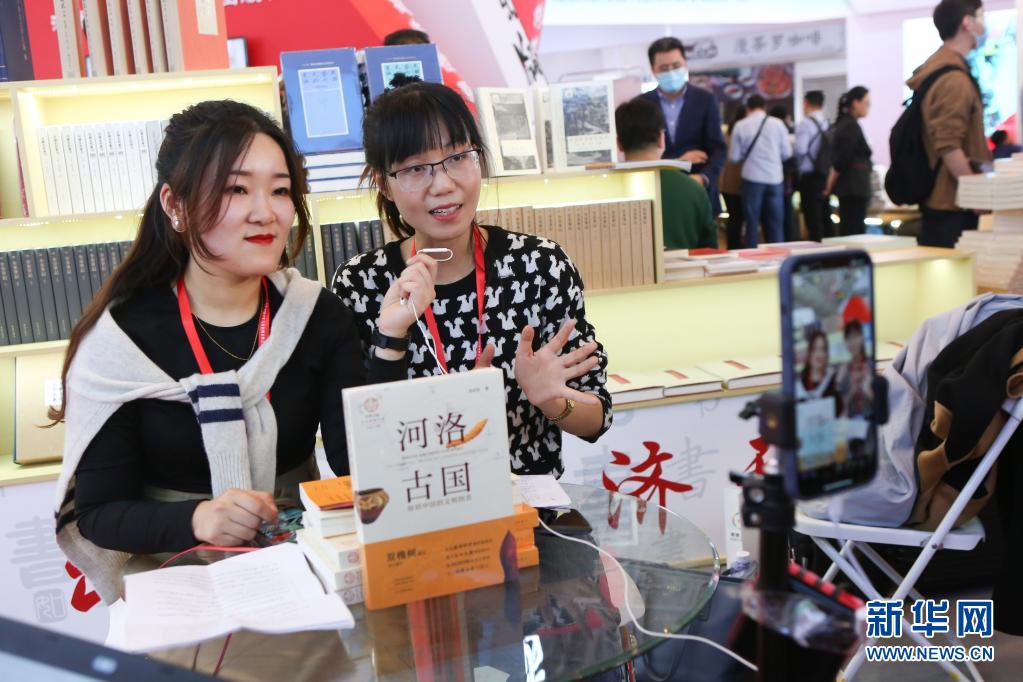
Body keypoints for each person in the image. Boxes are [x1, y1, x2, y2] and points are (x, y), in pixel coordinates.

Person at [52, 101, 420, 602]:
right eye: (236, 189)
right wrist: (199, 518)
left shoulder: (314, 313)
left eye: (281, 190)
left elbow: (358, 463)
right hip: (172, 579)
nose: (265, 212)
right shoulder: (122, 339)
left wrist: (391, 339)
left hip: (300, 570)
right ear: (176, 205)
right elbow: (99, 514)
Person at [332, 82, 612, 476]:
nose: (443, 184)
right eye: (415, 169)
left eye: (458, 157)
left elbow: (597, 418)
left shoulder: (539, 266)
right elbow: (353, 455)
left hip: (528, 503)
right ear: (384, 184)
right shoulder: (360, 284)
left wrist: (550, 399)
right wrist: (391, 338)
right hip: (419, 499)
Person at [907, 0, 992, 247]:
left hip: (945, 201)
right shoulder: (953, 78)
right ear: (967, 22)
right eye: (981, 16)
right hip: (951, 204)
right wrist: (976, 196)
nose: (984, 25)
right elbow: (949, 144)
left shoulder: (940, 69)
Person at [639, 37, 727, 215]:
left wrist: (703, 178)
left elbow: (718, 148)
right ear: (653, 70)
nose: (671, 72)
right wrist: (679, 161)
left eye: (676, 66)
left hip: (701, 194)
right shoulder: (641, 105)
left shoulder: (706, 99)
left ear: (685, 64)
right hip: (659, 195)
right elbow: (640, 155)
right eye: (664, 68)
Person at [615, 97, 717, 250]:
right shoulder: (693, 189)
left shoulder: (602, 191)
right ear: (661, 139)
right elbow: (710, 250)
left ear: (619, 144)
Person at [728, 94, 792, 247]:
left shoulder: (741, 125)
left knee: (752, 224)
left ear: (748, 108)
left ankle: (752, 257)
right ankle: (778, 257)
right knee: (775, 225)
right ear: (765, 107)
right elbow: (787, 153)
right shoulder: (778, 124)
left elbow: (733, 157)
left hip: (752, 178)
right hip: (775, 179)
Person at [825, 87, 873, 237]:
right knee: (853, 231)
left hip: (852, 187)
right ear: (855, 103)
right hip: (853, 187)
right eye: (866, 103)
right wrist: (829, 185)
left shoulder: (847, 124)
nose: (868, 107)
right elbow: (841, 159)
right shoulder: (849, 125)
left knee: (852, 229)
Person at [794, 91, 832, 241]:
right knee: (825, 215)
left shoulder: (805, 124)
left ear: (806, 103)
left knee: (812, 218)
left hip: (810, 177)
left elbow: (800, 149)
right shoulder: (827, 123)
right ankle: (830, 247)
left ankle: (816, 248)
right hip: (825, 174)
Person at [770, 104, 799, 241]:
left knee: (777, 213)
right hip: (787, 178)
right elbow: (788, 154)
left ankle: (783, 238)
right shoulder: (789, 130)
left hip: (776, 177)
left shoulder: (770, 130)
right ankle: (790, 238)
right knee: (788, 211)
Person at [720, 106, 747, 249]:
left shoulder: (727, 132)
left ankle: (732, 247)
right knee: (740, 217)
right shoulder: (743, 131)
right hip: (740, 182)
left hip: (726, 182)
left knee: (733, 218)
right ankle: (739, 247)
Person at [836, 320, 872, 419]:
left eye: (855, 336)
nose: (852, 342)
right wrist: (851, 392)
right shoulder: (843, 371)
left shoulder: (871, 365)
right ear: (845, 342)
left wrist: (867, 391)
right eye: (849, 338)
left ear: (862, 338)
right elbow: (838, 408)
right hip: (850, 423)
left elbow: (881, 405)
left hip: (870, 421)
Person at [796, 330, 838, 403]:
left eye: (823, 349)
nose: (819, 354)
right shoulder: (800, 383)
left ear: (827, 354)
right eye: (815, 349)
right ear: (809, 352)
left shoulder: (832, 380)